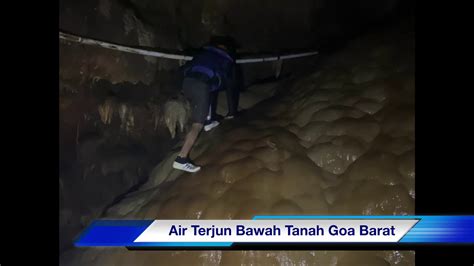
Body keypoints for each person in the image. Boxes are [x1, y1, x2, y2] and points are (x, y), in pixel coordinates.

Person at [172, 36, 241, 173]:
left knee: (208, 93)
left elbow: (184, 69)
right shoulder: (225, 59)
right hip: (201, 86)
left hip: (187, 82)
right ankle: (181, 159)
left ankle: (209, 121)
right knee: (197, 124)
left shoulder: (204, 54)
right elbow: (229, 84)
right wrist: (232, 112)